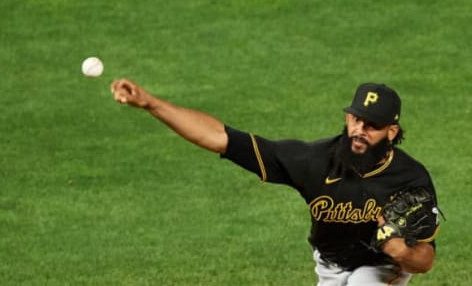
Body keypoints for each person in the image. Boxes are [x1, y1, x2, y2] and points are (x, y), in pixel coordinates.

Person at [111, 79, 440, 285]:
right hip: (329, 263)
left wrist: (400, 252)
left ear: (392, 133)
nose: (359, 130)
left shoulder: (410, 179)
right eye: (356, 119)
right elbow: (220, 138)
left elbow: (425, 258)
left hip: (382, 267)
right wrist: (151, 103)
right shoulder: (314, 161)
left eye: (372, 126)